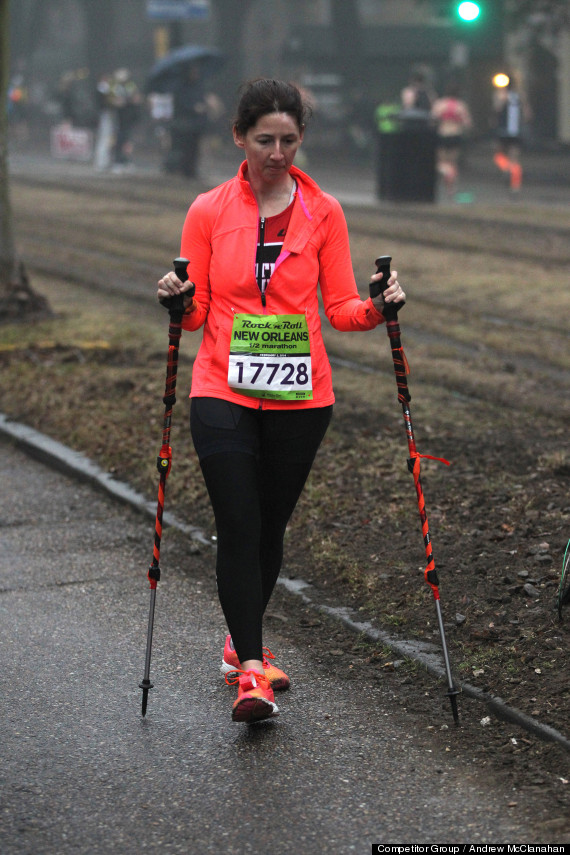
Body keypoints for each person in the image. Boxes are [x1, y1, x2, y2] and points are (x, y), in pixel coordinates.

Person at [157, 79, 405, 724]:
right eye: (264, 139)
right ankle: (251, 671)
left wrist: (379, 307)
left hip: (301, 398)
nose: (276, 152)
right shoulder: (209, 210)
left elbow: (341, 310)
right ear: (239, 137)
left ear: (301, 140)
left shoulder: (325, 213)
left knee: (269, 528)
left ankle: (242, 646)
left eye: (288, 140)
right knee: (239, 524)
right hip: (222, 390)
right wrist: (180, 303)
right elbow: (197, 313)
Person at [431, 81, 472, 195]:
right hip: (456, 135)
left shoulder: (440, 104)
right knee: (453, 162)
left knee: (441, 162)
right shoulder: (461, 105)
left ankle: (445, 175)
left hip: (442, 134)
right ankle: (451, 188)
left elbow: (433, 118)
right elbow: (467, 123)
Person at [491, 76, 531, 193]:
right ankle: (515, 186)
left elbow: (496, 109)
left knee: (498, 154)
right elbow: (528, 114)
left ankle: (506, 168)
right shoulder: (521, 96)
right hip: (517, 131)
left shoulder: (500, 95)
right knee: (515, 158)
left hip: (503, 130)